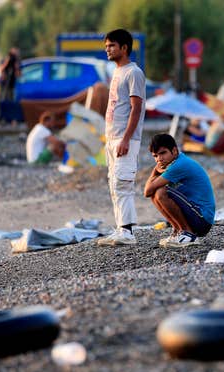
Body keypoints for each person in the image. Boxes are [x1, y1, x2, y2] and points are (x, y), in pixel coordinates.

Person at [97, 29, 146, 246]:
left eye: (112, 46)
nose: (108, 50)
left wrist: (126, 138)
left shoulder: (133, 72)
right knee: (114, 183)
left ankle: (127, 232)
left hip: (126, 139)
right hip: (112, 138)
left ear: (124, 48)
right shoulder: (117, 72)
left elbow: (136, 108)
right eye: (106, 46)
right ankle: (120, 228)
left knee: (124, 183)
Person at [144, 133, 215, 248]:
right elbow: (149, 193)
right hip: (196, 217)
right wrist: (156, 171)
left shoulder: (179, 165)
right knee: (156, 193)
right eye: (155, 156)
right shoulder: (174, 162)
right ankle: (178, 231)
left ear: (175, 151)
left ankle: (188, 234)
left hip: (202, 219)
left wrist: (154, 171)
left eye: (163, 153)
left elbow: (147, 191)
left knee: (161, 191)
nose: (159, 159)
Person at [0, 48, 21, 122]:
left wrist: (16, 66)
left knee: (11, 103)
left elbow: (18, 74)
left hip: (11, 85)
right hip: (3, 85)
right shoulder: (5, 59)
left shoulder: (17, 62)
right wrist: (7, 61)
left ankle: (12, 119)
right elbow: (1, 70)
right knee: (2, 102)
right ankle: (1, 118)